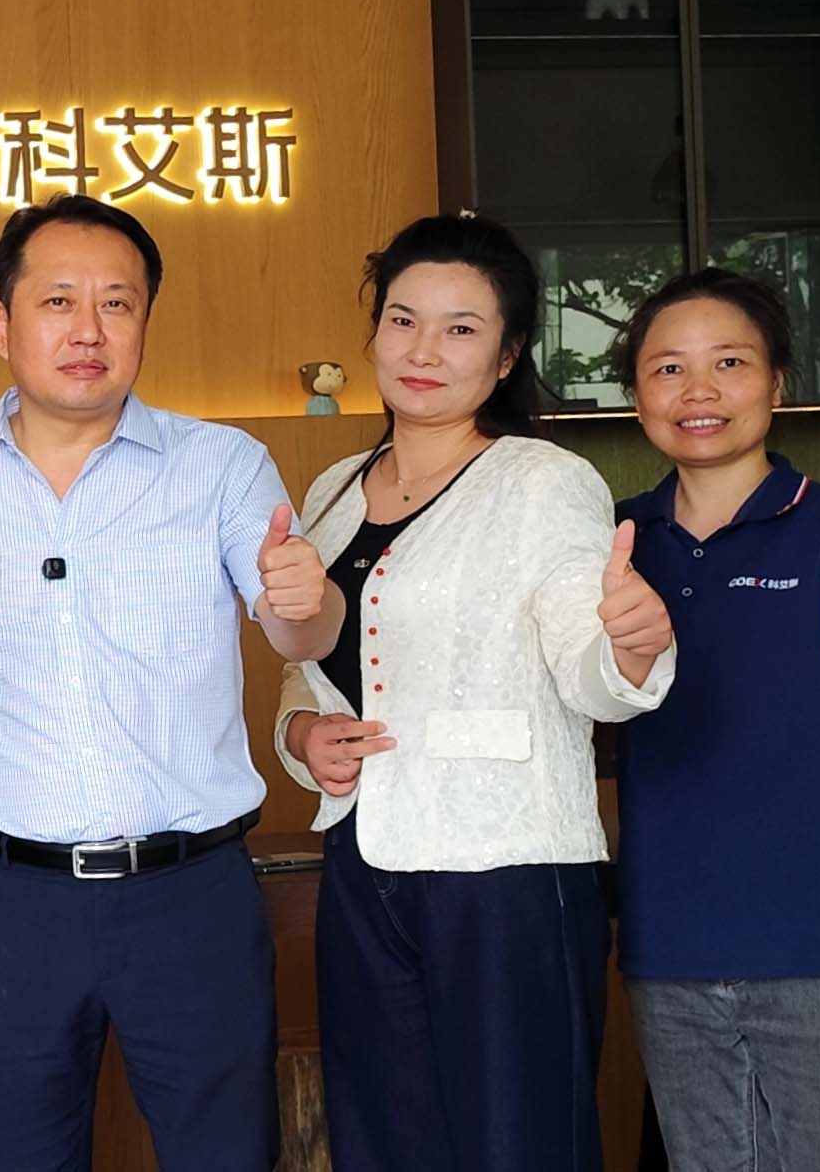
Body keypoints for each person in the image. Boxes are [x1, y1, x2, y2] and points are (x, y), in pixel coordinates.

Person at [0, 194, 340, 1170]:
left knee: (226, 1155)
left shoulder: (221, 466)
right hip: (8, 902)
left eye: (116, 303)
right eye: (58, 301)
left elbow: (301, 628)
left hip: (190, 894)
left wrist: (305, 597)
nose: (88, 329)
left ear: (145, 321)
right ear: (2, 324)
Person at [272, 213, 678, 1172]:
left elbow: (584, 660)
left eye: (460, 328)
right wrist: (299, 735)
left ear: (505, 356)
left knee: (516, 1143)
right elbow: (314, 664)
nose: (423, 351)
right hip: (364, 862)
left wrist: (629, 650)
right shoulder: (332, 488)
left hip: (504, 870)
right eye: (402, 320)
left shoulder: (542, 482)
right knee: (384, 1141)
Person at [612, 268, 820, 1171]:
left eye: (729, 363)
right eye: (667, 368)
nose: (698, 390)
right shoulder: (612, 538)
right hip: (670, 945)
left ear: (776, 384)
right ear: (635, 395)